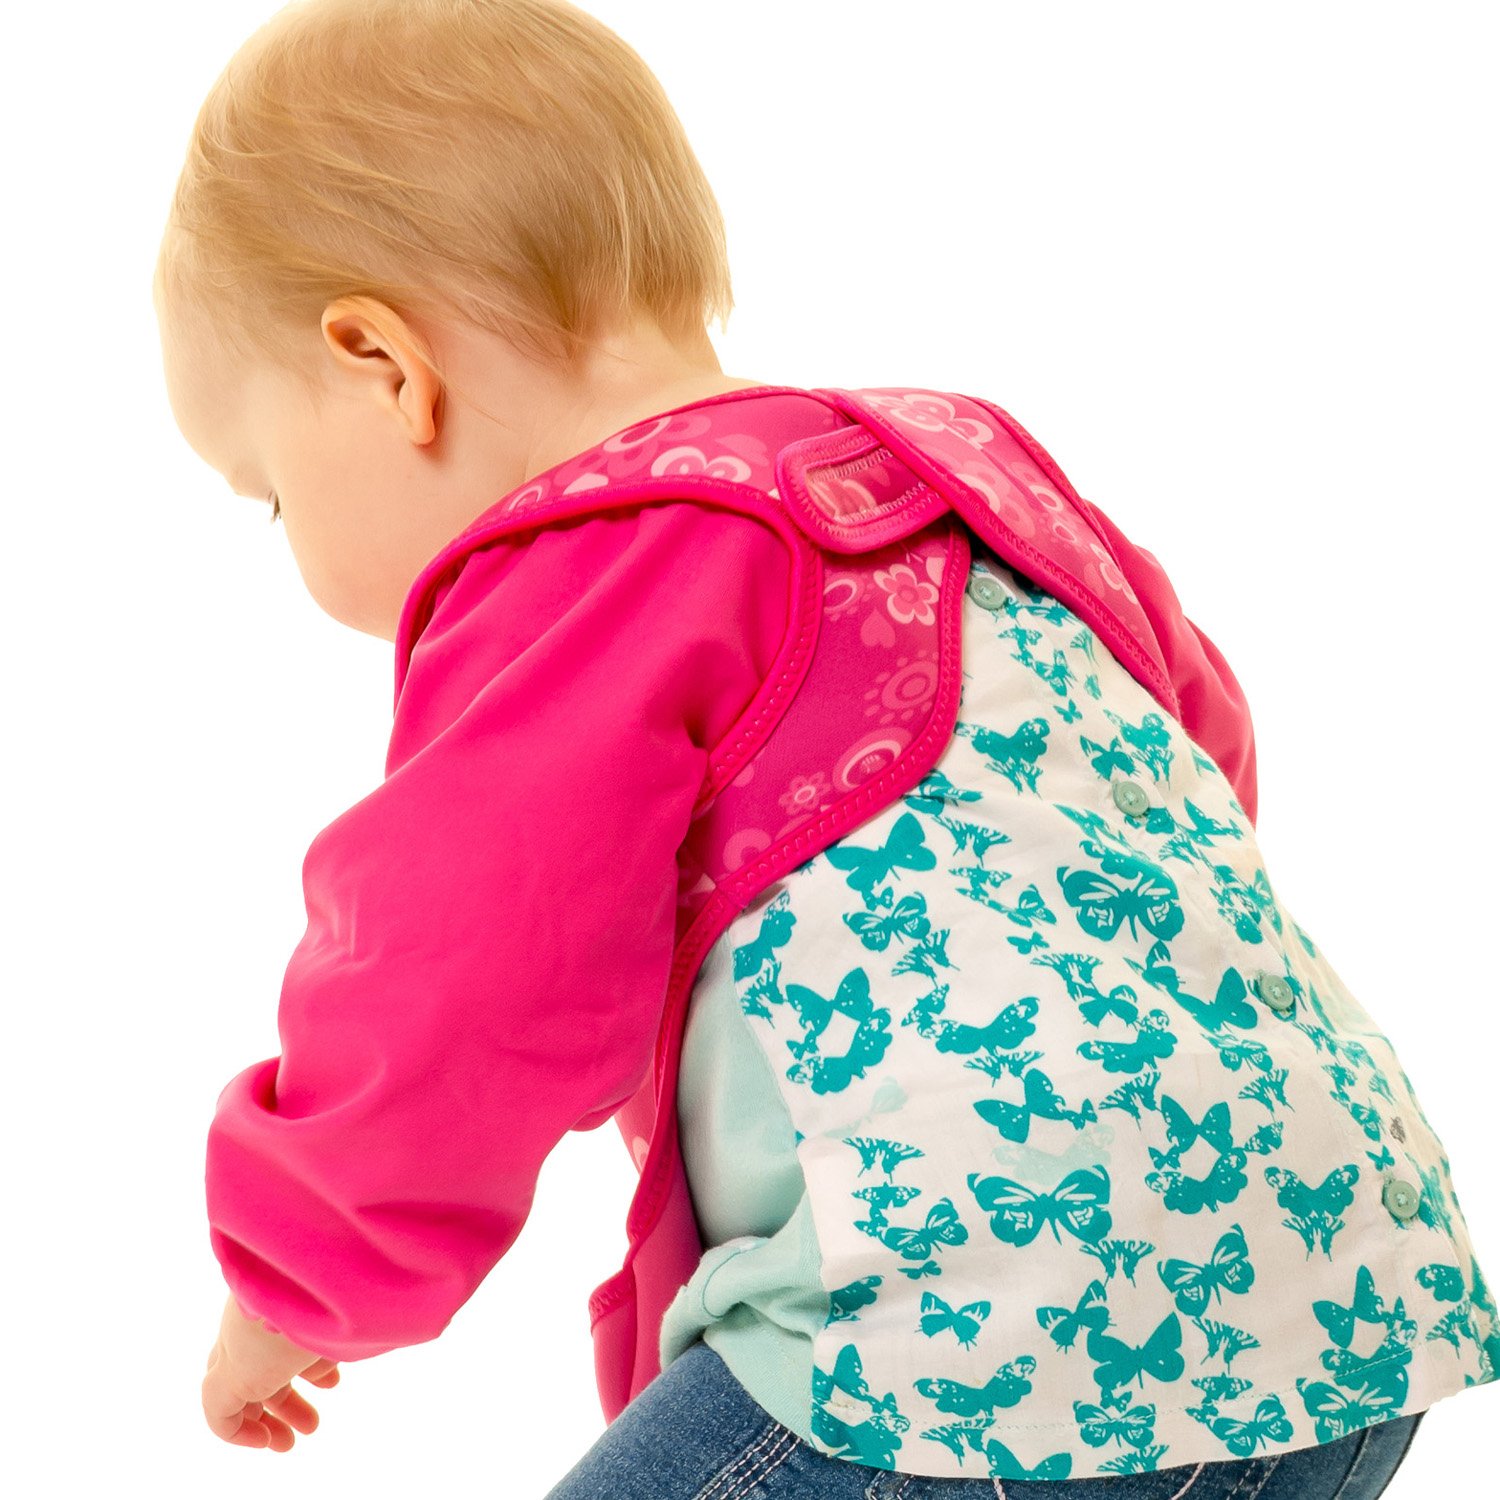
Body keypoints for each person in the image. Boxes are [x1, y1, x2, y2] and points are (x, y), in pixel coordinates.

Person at [153, 3, 1493, 1495]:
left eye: (269, 492)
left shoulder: (585, 560)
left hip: (987, 1336)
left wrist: (294, 1280)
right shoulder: (968, 467)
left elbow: (455, 970)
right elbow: (1199, 759)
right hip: (1349, 1287)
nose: (289, 539)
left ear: (382, 366)